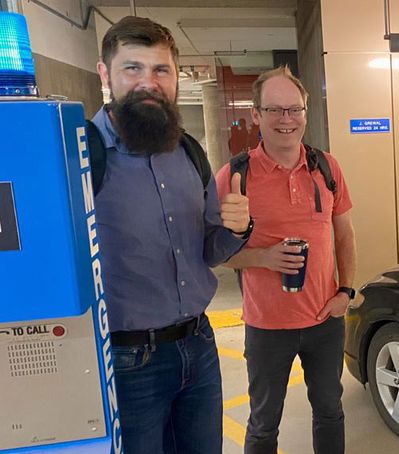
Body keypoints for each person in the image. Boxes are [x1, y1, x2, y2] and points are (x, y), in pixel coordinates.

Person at [92, 16, 251, 454]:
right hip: (126, 361)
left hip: (198, 346)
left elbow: (209, 251)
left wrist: (238, 228)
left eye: (161, 70)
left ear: (176, 76)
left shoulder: (188, 151)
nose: (149, 82)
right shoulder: (79, 155)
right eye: (133, 68)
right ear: (105, 74)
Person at [214, 66, 356, 454]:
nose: (286, 120)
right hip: (266, 326)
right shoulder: (234, 175)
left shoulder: (327, 167)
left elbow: (343, 234)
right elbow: (214, 252)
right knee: (263, 423)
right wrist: (264, 256)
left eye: (294, 110)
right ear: (257, 114)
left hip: (325, 318)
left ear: (306, 113)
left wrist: (346, 291)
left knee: (330, 411)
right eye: (275, 110)